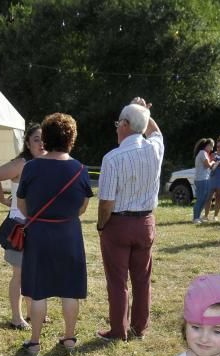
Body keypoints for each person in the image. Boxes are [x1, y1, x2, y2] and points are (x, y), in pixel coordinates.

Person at [16, 112, 93, 356]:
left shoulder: (31, 167)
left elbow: (21, 205)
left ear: (46, 138)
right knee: (70, 289)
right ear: (71, 138)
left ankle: (35, 342)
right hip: (69, 233)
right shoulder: (80, 169)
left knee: (38, 289)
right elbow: (82, 207)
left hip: (39, 234)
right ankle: (69, 338)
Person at [95, 98, 164, 342]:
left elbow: (106, 202)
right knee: (142, 279)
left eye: (118, 123)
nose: (116, 128)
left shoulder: (112, 158)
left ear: (124, 124)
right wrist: (145, 112)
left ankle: (118, 330)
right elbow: (155, 130)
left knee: (117, 281)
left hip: (119, 223)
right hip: (145, 222)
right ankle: (139, 328)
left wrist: (101, 224)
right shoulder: (155, 147)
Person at [0, 123, 45, 330]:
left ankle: (32, 313)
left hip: (38, 226)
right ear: (28, 144)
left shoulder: (47, 163)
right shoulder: (22, 163)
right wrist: (2, 199)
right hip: (19, 226)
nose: (41, 143)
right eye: (36, 139)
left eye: (44, 139)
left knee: (34, 272)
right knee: (19, 274)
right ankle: (16, 317)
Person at [191, 138, 215, 223]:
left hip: (205, 178)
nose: (212, 149)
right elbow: (207, 165)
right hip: (201, 179)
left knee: (205, 198)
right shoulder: (202, 153)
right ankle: (195, 218)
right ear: (207, 145)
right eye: (211, 146)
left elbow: (207, 167)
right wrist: (213, 162)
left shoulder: (204, 153)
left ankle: (198, 217)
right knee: (201, 199)